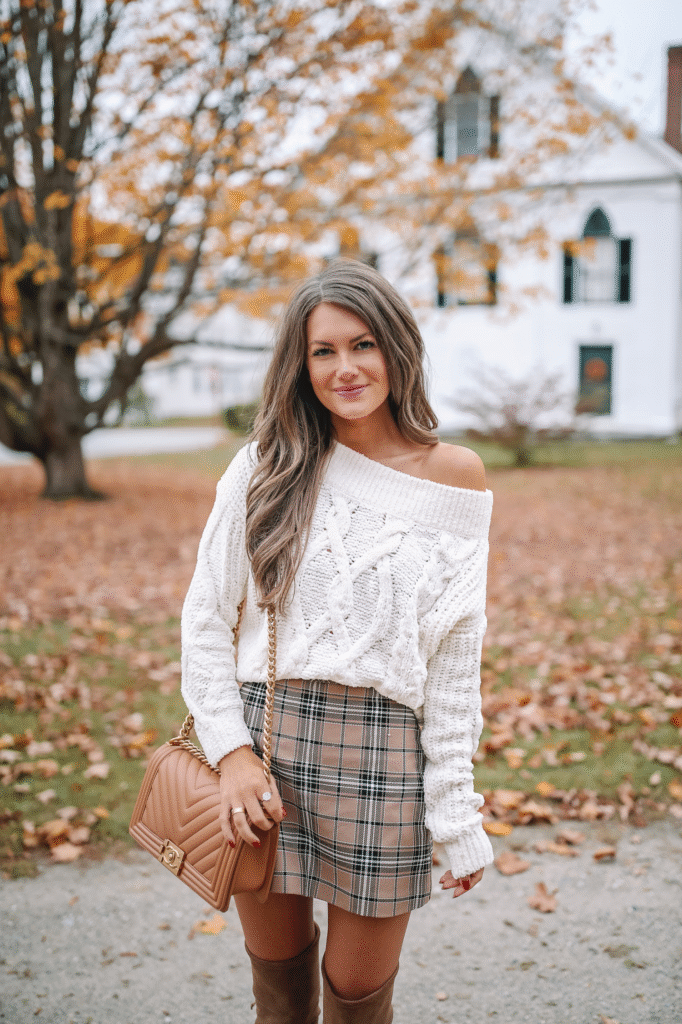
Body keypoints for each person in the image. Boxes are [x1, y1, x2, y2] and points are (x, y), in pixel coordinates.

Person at [180, 258, 494, 1024]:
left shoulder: (455, 476)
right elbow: (203, 621)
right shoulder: (265, 465)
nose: (345, 368)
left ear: (396, 348)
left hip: (385, 755)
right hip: (266, 750)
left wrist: (456, 814)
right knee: (280, 992)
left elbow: (455, 662)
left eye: (363, 345)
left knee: (357, 997)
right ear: (301, 361)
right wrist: (229, 754)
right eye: (323, 351)